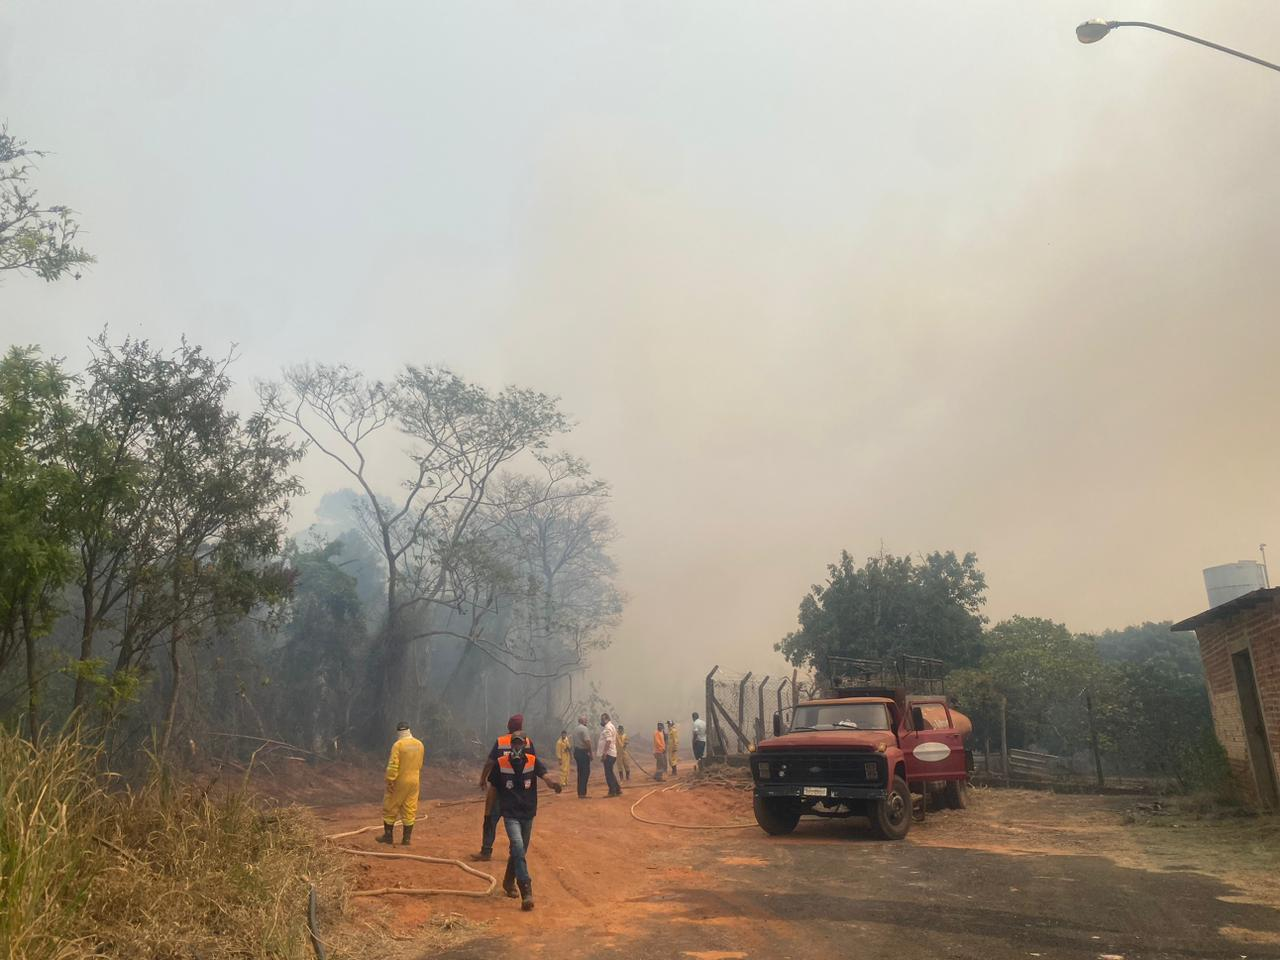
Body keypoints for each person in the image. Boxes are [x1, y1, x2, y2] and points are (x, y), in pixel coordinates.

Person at [490, 730, 561, 910]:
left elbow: (545, 776)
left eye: (520, 744)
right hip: (510, 814)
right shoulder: (501, 763)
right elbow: (493, 788)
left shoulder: (532, 761)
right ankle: (526, 890)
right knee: (518, 847)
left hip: (528, 813)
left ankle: (508, 881)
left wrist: (553, 784)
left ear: (525, 745)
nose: (517, 747)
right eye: (514, 744)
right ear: (510, 745)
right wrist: (489, 812)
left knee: (519, 851)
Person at [472, 715, 532, 862]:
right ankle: (517, 853)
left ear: (508, 726)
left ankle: (486, 851)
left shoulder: (500, 741)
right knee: (517, 821)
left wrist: (483, 779)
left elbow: (490, 762)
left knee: (490, 818)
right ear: (521, 727)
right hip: (519, 791)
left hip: (499, 788)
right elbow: (533, 763)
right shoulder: (528, 742)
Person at [378, 721, 424, 846]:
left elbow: (393, 765)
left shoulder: (398, 745)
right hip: (414, 781)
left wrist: (390, 780)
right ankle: (406, 839)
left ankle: (388, 837)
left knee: (390, 806)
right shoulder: (419, 744)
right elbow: (420, 763)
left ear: (398, 732)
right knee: (410, 807)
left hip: (400, 781)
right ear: (409, 730)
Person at [597, 712, 622, 797]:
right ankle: (617, 789)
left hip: (609, 754)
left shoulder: (607, 728)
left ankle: (612, 791)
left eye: (602, 719)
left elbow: (608, 741)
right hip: (612, 753)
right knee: (610, 772)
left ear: (607, 719)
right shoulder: (612, 726)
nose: (601, 721)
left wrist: (604, 753)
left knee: (608, 773)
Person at [572, 714, 593, 798]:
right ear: (582, 721)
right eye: (585, 720)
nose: (586, 721)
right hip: (583, 752)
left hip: (577, 752)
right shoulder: (584, 729)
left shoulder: (575, 729)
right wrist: (590, 753)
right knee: (585, 772)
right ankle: (583, 793)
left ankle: (580, 792)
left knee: (580, 772)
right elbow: (587, 742)